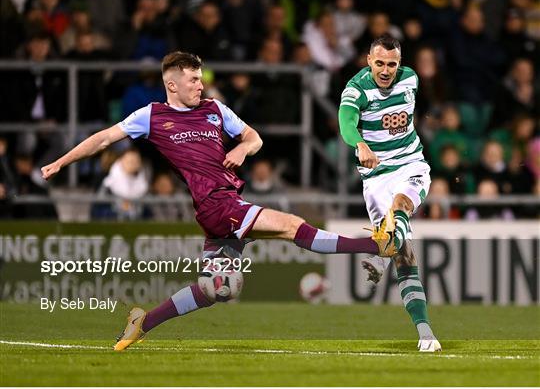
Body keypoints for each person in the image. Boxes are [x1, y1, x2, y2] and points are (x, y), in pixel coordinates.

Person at [41, 50, 397, 351]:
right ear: (172, 84)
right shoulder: (151, 116)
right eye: (194, 79)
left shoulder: (214, 109)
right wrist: (60, 161)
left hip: (224, 203)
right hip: (215, 206)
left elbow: (254, 137)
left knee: (217, 289)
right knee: (290, 226)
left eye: (201, 78)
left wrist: (242, 147)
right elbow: (103, 139)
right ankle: (375, 245)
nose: (200, 84)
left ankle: (144, 321)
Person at [337, 34, 441, 352]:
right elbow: (346, 121)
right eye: (379, 63)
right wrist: (360, 143)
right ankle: (425, 334)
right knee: (405, 257)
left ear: (400, 63)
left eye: (392, 64)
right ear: (368, 60)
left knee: (401, 206)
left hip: (410, 165)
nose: (385, 70)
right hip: (376, 177)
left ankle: (382, 249)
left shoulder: (411, 80)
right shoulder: (356, 89)